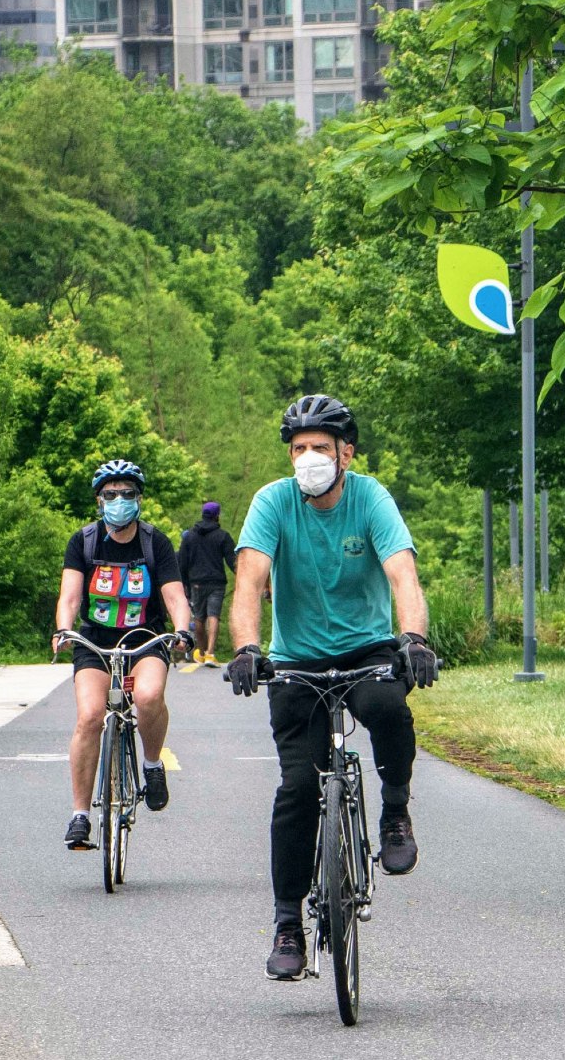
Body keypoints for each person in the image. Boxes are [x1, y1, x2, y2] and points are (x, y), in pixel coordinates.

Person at [225, 394, 438, 981]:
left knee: (388, 707)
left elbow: (402, 572)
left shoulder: (370, 498)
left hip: (366, 648)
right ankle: (288, 924)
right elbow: (250, 581)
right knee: (296, 787)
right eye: (298, 449)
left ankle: (394, 810)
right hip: (296, 659)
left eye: (320, 447)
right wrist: (247, 648)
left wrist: (413, 638)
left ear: (346, 452)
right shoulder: (273, 502)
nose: (308, 458)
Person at [54, 459, 193, 851]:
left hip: (144, 639)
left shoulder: (155, 542)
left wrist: (182, 629)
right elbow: (70, 596)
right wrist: (64, 629)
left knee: (148, 697)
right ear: (99, 501)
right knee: (89, 716)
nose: (119, 501)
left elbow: (174, 596)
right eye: (111, 494)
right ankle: (81, 816)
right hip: (95, 642)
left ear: (139, 499)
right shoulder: (84, 541)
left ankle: (151, 765)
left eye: (127, 494)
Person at [179, 501, 236, 666]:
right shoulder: (222, 536)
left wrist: (185, 584)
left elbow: (183, 562)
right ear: (217, 515)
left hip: (196, 582)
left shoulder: (189, 536)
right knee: (214, 615)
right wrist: (243, 577)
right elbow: (232, 561)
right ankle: (211, 653)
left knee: (199, 617)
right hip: (217, 583)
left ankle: (202, 653)